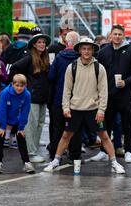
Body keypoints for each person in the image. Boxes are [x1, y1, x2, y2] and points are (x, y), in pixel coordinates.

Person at [43, 38, 125, 174]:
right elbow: (66, 90)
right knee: (66, 136)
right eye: (84, 49)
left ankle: (114, 162)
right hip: (75, 108)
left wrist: (101, 110)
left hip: (93, 110)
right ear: (80, 50)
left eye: (89, 49)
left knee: (104, 136)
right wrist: (66, 107)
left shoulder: (99, 68)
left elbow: (103, 92)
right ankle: (56, 160)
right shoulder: (72, 67)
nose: (86, 51)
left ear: (93, 50)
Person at [90, 24, 131, 164]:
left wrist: (127, 81)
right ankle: (103, 151)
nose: (117, 37)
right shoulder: (103, 51)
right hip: (108, 95)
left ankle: (128, 151)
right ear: (110, 36)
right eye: (115, 34)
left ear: (123, 36)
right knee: (106, 124)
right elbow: (97, 71)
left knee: (127, 124)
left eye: (120, 34)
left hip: (125, 95)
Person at [9, 33, 51, 163]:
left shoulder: (44, 58)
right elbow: (14, 68)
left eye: (43, 42)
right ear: (34, 44)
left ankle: (34, 150)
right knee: (31, 125)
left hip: (43, 97)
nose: (42, 44)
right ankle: (31, 153)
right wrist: (20, 85)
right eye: (39, 42)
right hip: (32, 97)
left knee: (39, 124)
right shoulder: (28, 58)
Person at [47, 31, 82, 162]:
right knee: (76, 128)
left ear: (66, 42)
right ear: (78, 43)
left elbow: (51, 76)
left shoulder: (59, 57)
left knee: (58, 128)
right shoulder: (81, 59)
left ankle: (55, 155)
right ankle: (75, 155)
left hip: (59, 98)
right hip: (77, 99)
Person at [0, 74, 35, 174]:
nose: (19, 88)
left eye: (22, 86)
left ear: (25, 86)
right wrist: (3, 127)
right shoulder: (5, 93)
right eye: (17, 85)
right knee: (0, 139)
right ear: (12, 84)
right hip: (2, 117)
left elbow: (25, 111)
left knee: (21, 137)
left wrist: (21, 127)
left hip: (15, 118)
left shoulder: (27, 95)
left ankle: (27, 163)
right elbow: (3, 110)